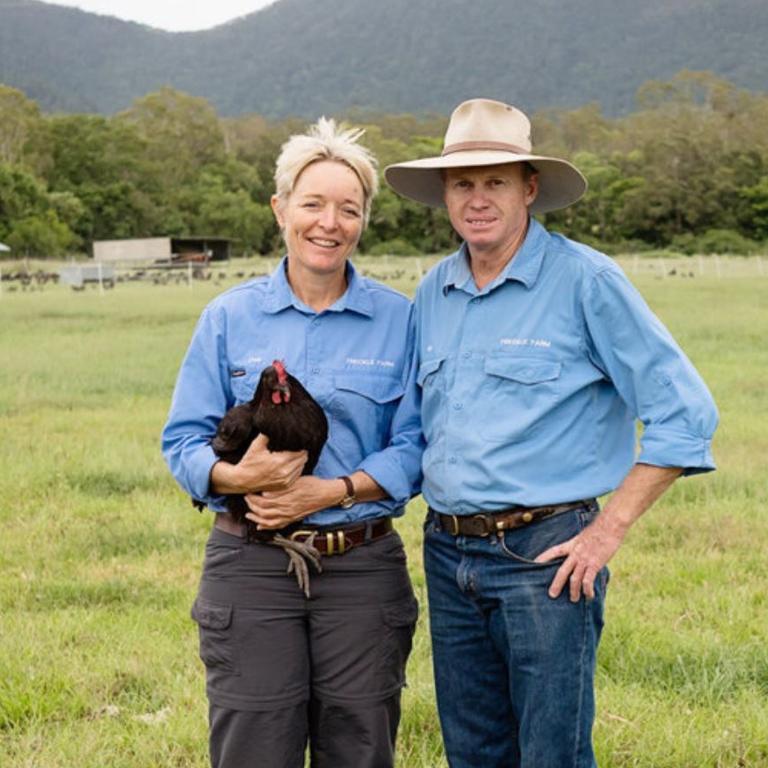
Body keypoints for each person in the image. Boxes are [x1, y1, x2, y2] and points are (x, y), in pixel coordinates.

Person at [384, 98, 718, 767]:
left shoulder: (585, 281)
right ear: (445, 195)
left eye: (496, 181)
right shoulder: (432, 292)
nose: (477, 199)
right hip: (448, 556)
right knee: (473, 752)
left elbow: (686, 413)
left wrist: (607, 530)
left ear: (530, 188)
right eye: (462, 183)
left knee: (551, 754)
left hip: (546, 558)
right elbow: (414, 430)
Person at [162, 118, 423, 768]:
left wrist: (332, 489)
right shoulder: (228, 317)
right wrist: (236, 480)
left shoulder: (401, 320)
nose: (328, 223)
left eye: (348, 209)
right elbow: (183, 441)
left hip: (361, 565)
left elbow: (418, 443)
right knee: (253, 745)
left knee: (360, 744)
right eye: (313, 204)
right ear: (281, 210)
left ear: (364, 221)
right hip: (251, 564)